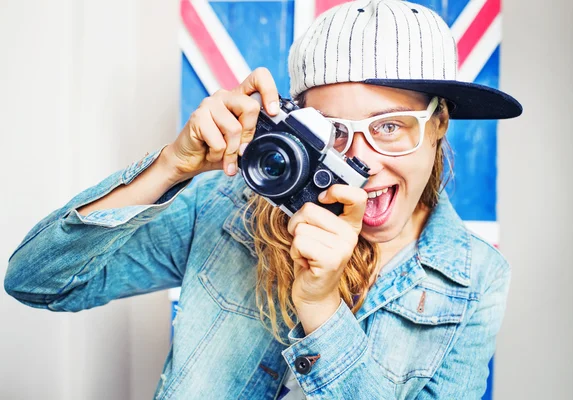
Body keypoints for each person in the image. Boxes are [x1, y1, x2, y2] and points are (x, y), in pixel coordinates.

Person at [4, 0, 522, 399]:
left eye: (391, 126)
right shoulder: (228, 207)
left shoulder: (476, 278)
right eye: (333, 131)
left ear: (438, 126)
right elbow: (36, 282)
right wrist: (168, 167)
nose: (360, 163)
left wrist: (320, 310)